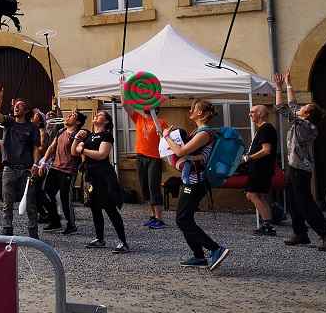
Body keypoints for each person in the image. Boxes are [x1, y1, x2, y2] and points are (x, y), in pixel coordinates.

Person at [161, 101, 230, 270]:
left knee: (182, 219)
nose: (190, 110)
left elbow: (180, 152)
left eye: (193, 108)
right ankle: (199, 257)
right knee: (186, 218)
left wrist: (167, 137)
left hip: (196, 181)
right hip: (191, 179)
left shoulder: (204, 133)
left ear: (200, 113)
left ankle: (215, 249)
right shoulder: (196, 132)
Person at [274, 71, 326, 251]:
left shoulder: (306, 125)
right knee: (293, 199)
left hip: (299, 168)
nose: (300, 107)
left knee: (304, 202)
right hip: (294, 165)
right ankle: (300, 233)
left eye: (304, 107)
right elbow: (293, 105)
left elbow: (282, 108)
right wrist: (289, 84)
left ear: (307, 115)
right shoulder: (304, 121)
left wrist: (278, 88)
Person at [73, 111, 129, 253]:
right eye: (96, 115)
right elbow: (74, 152)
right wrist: (76, 138)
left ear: (106, 122)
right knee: (95, 208)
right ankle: (100, 239)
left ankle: (123, 242)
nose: (96, 115)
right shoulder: (89, 136)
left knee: (110, 208)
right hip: (91, 175)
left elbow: (101, 154)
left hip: (103, 175)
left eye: (101, 115)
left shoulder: (106, 135)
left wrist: (83, 149)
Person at [0, 86, 42, 237]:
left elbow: (35, 148)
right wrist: (0, 99)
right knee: (7, 202)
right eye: (15, 105)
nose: (16, 107)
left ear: (26, 111)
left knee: (31, 203)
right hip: (9, 168)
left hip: (26, 169)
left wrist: (35, 164)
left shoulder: (32, 128)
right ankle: (7, 231)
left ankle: (33, 232)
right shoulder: (9, 122)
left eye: (20, 105)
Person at [120, 81, 165, 229]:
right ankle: (152, 215)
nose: (148, 110)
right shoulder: (139, 118)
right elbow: (125, 105)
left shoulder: (161, 122)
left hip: (154, 158)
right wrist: (123, 88)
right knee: (145, 187)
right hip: (141, 157)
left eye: (151, 108)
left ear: (157, 109)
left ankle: (159, 218)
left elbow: (166, 137)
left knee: (153, 187)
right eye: (146, 108)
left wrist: (163, 133)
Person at [39, 110, 86, 235]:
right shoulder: (61, 132)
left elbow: (81, 151)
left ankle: (71, 225)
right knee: (46, 193)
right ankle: (55, 221)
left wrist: (84, 166)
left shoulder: (79, 134)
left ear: (78, 122)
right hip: (55, 168)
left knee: (65, 198)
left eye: (73, 116)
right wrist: (43, 162)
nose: (69, 116)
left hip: (68, 170)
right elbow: (51, 147)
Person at [243, 105, 279, 236]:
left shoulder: (266, 129)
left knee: (252, 194)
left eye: (252, 112)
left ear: (261, 114)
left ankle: (268, 224)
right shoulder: (263, 129)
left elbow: (266, 150)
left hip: (261, 168)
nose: (250, 114)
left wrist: (248, 158)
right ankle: (268, 224)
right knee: (259, 195)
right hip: (260, 168)